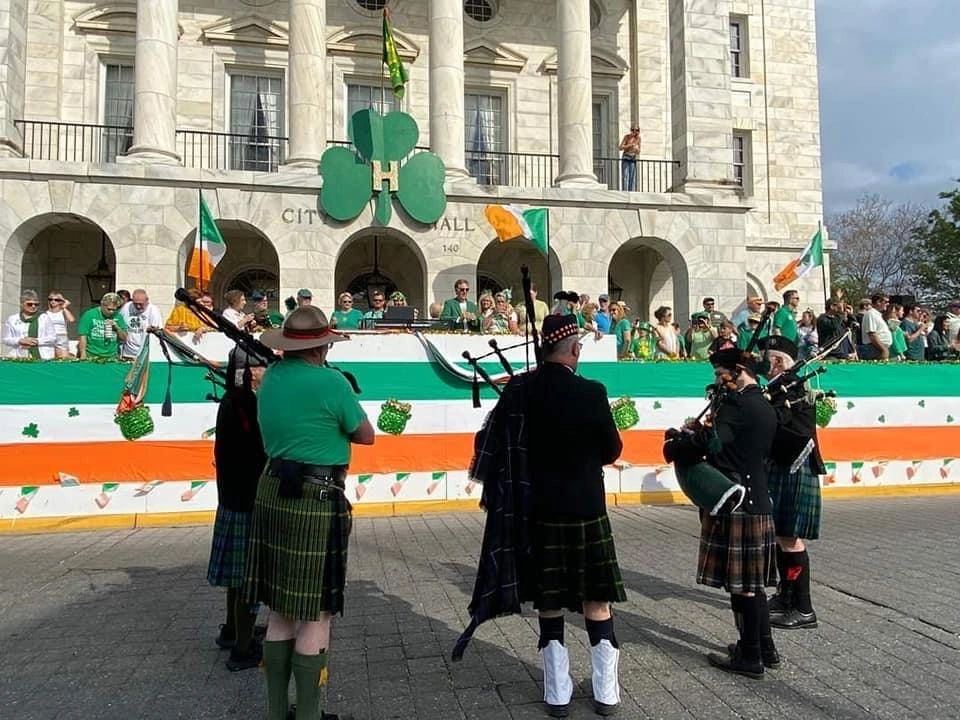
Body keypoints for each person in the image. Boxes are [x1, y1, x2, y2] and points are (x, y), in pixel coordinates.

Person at [244, 306, 375, 720]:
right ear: (321, 347)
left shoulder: (271, 378)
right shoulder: (331, 382)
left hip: (271, 491)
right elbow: (365, 434)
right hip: (316, 496)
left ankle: (277, 711)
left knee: (280, 609)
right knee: (316, 612)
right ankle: (310, 716)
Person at [525, 314, 626, 715]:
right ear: (575, 350)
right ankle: (606, 693)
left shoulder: (523, 392)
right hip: (586, 505)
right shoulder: (592, 392)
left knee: (549, 600)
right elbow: (612, 449)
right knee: (596, 599)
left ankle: (557, 694)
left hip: (543, 508)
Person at [663, 346, 778, 678]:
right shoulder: (764, 405)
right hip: (757, 498)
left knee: (741, 586)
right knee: (753, 584)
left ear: (738, 371)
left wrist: (678, 443)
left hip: (734, 501)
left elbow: (714, 443)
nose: (716, 380)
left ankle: (750, 657)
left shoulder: (737, 405)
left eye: (719, 374)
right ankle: (762, 648)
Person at [208, 347, 270, 672]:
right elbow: (263, 448)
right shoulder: (246, 403)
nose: (266, 371)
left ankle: (232, 630)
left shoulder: (232, 400)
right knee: (248, 578)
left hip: (232, 496)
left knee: (237, 577)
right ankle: (243, 647)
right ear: (247, 372)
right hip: (247, 498)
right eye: (261, 366)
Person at [759, 336, 824, 632]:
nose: (772, 365)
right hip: (780, 464)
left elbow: (774, 419)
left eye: (778, 359)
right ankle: (785, 596)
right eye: (768, 359)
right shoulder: (775, 387)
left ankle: (803, 607)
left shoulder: (795, 385)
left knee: (790, 537)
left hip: (797, 464)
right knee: (780, 536)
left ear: (789, 361)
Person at [3, 289, 57, 359]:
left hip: (42, 356)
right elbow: (6, 339)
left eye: (36, 304)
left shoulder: (44, 318)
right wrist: (20, 340)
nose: (33, 306)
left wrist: (36, 341)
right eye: (29, 304)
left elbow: (53, 338)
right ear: (22, 304)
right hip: (19, 355)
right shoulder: (12, 319)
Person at [77, 293, 127, 360]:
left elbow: (124, 338)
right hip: (92, 356)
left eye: (114, 309)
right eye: (109, 309)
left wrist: (117, 328)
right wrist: (83, 354)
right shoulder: (89, 315)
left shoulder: (118, 316)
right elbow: (83, 336)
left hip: (111, 357)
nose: (111, 312)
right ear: (102, 305)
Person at [119, 289, 163, 360]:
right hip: (128, 353)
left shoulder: (153, 310)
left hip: (145, 354)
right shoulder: (126, 307)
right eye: (135, 304)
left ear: (147, 301)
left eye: (141, 304)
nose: (138, 306)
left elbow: (158, 332)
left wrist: (153, 330)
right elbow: (120, 325)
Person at [858, 295, 891, 360]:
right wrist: (884, 350)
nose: (888, 304)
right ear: (878, 302)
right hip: (875, 349)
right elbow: (872, 335)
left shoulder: (877, 315)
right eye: (886, 302)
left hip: (879, 348)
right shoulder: (871, 314)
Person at [43, 291, 75, 358]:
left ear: (60, 301)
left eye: (56, 300)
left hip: (61, 336)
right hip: (49, 336)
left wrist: (64, 307)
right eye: (50, 299)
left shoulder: (63, 311)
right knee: (49, 358)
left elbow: (71, 319)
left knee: (63, 358)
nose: (53, 301)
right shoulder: (46, 313)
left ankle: (71, 356)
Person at [618, 125, 641, 191]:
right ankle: (625, 191)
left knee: (632, 177)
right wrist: (630, 145)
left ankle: (632, 191)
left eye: (637, 130)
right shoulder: (627, 137)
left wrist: (637, 150)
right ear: (631, 130)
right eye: (633, 130)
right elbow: (620, 147)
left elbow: (639, 151)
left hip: (633, 158)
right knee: (625, 176)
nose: (635, 132)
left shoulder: (638, 139)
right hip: (626, 158)